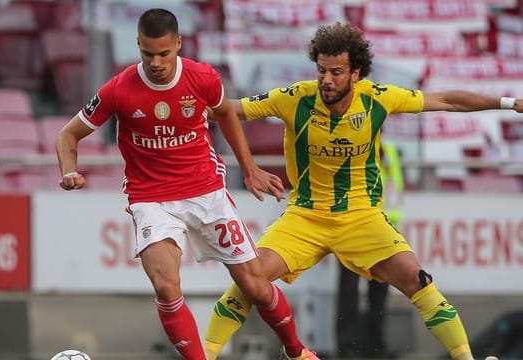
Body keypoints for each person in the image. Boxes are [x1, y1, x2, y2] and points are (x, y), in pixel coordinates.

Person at [203, 21, 522, 360]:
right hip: (305, 216)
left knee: (418, 278)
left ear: (356, 72)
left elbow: (447, 101)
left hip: (361, 217)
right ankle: (203, 354)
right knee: (250, 280)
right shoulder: (295, 97)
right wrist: (176, 102)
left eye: (336, 72)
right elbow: (228, 109)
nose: (327, 80)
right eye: (322, 70)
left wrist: (507, 102)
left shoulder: (377, 99)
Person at [55, 8, 318, 360]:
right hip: (152, 199)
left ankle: (297, 352)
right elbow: (68, 134)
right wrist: (69, 170)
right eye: (148, 54)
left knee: (255, 284)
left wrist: (249, 166)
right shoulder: (119, 89)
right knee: (166, 286)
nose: (157, 62)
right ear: (138, 46)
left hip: (207, 192)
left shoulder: (202, 77)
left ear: (178, 44)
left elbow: (225, 112)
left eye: (164, 53)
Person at [336, 139, 404, 359]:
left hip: (383, 229)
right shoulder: (354, 144)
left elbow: (395, 187)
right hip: (353, 226)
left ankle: (375, 345)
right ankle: (347, 346)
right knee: (349, 289)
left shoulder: (391, 150)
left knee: (379, 290)